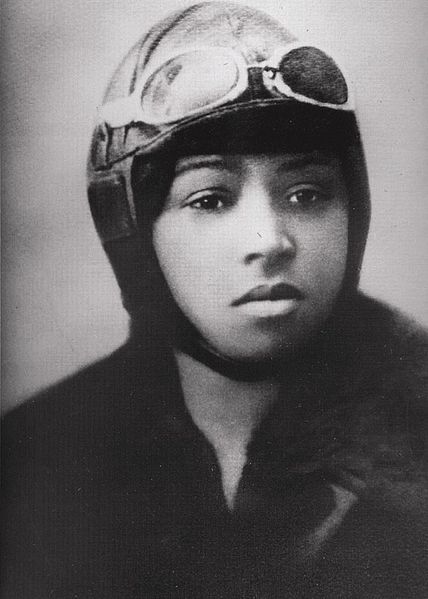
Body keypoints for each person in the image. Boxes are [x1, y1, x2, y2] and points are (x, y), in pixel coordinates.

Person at [2, 2, 427, 597]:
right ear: (132, 231)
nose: (270, 242)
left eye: (306, 194)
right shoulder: (35, 456)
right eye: (210, 200)